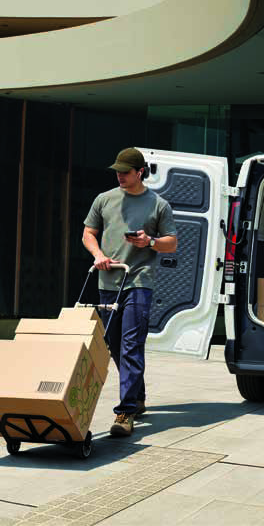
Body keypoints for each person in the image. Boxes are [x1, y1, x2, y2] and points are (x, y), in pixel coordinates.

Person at [82, 147, 177, 437]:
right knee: (114, 344)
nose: (120, 176)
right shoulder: (104, 199)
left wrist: (150, 242)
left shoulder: (159, 205)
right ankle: (138, 396)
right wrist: (98, 254)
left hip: (138, 281)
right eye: (118, 172)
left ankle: (125, 412)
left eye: (125, 172)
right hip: (108, 282)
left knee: (131, 344)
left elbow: (171, 243)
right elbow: (88, 233)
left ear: (140, 172)